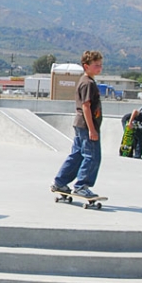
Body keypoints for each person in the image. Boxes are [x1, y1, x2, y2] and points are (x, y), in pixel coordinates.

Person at [52, 50, 104, 198]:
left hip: (80, 125)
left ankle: (60, 182)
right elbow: (86, 106)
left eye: (100, 65)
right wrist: (92, 129)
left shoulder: (86, 81)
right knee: (92, 156)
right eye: (96, 65)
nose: (99, 68)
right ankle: (82, 185)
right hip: (87, 126)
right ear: (86, 66)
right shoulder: (87, 83)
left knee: (77, 155)